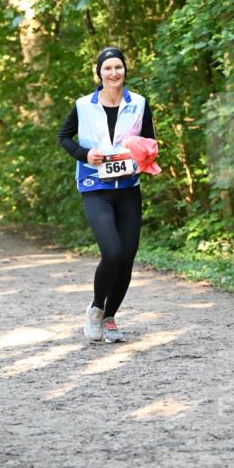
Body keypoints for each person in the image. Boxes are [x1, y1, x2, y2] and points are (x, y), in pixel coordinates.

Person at [58, 47, 156, 343]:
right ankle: (96, 308)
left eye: (118, 67)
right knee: (112, 252)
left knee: (127, 256)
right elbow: (64, 137)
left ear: (125, 70)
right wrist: (85, 154)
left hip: (128, 187)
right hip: (95, 187)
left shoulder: (139, 103)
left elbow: (150, 140)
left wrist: (144, 153)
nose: (114, 73)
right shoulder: (83, 105)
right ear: (99, 73)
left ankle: (110, 317)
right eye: (108, 68)